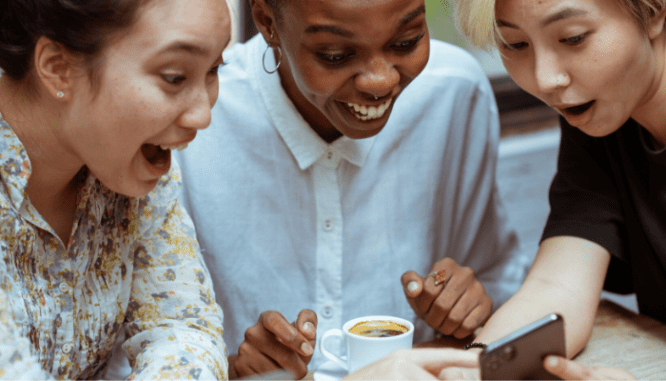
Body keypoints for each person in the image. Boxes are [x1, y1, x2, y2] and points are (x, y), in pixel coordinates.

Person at [173, 0, 530, 378]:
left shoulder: (453, 93)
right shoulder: (196, 126)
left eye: (406, 42)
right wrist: (228, 370)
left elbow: (500, 285)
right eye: (335, 55)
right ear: (266, 22)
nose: (380, 81)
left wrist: (468, 310)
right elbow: (140, 346)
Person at [418, 0, 666, 379]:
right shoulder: (601, 117)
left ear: (653, 12)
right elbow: (559, 284)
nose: (546, 78)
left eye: (573, 38)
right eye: (515, 45)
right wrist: (477, 366)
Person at [0, 0, 232, 378]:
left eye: (213, 70)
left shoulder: (128, 168)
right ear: (58, 69)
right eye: (174, 77)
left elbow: (184, 332)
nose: (202, 114)